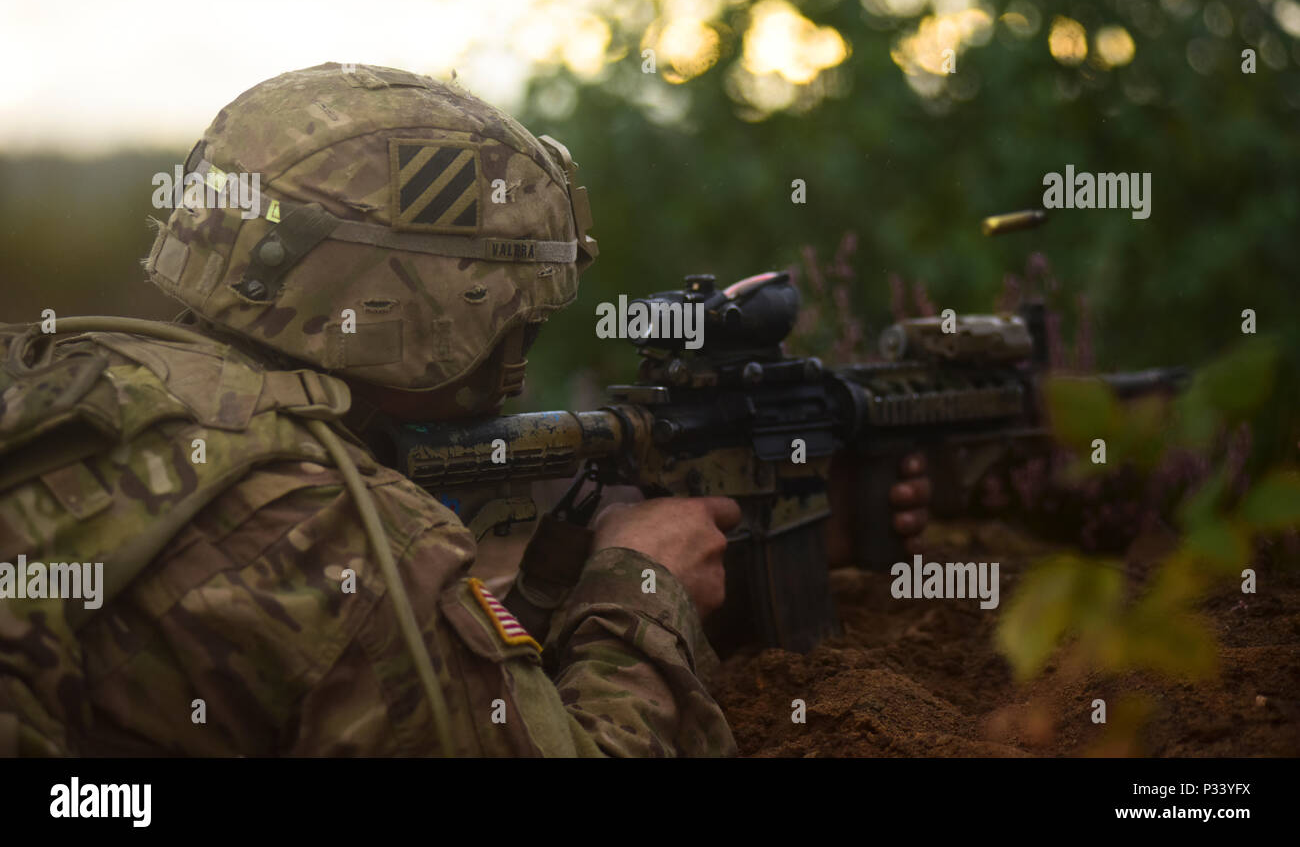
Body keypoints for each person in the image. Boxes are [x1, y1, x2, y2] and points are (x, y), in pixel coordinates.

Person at [0, 63, 928, 757]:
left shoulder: (67, 378)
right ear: (426, 309)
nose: (517, 349)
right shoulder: (347, 537)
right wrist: (645, 587)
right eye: (514, 314)